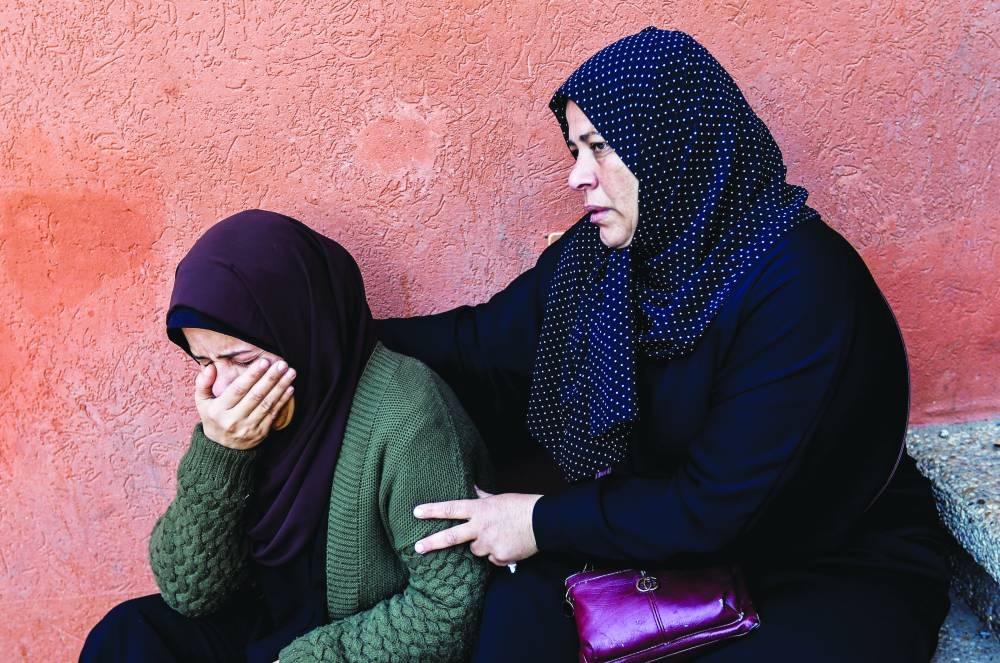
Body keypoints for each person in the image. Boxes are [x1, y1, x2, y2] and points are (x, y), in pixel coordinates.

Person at [376, 28, 951, 662]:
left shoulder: (801, 286)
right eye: (575, 149)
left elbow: (714, 507)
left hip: (823, 562)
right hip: (650, 546)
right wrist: (314, 341)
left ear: (672, 146)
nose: (576, 176)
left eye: (599, 148)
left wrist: (536, 522)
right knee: (512, 630)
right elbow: (479, 346)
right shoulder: (606, 260)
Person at [81, 210, 492, 663]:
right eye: (204, 363)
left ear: (299, 329)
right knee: (127, 636)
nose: (223, 387)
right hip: (265, 626)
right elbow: (188, 592)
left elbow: (447, 607)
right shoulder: (244, 416)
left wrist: (308, 659)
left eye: (241, 358)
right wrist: (221, 451)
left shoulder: (408, 414)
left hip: (349, 645)